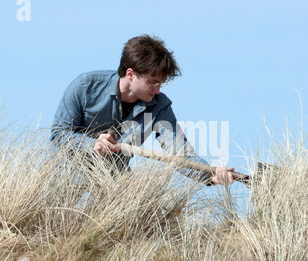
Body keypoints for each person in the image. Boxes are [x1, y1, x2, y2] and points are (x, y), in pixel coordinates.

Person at [51, 34, 235, 186]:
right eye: (152, 83)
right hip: (66, 179)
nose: (157, 90)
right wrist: (92, 144)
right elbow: (59, 134)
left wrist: (211, 175)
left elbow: (179, 152)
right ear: (131, 74)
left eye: (161, 84)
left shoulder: (159, 106)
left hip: (114, 184)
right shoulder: (84, 87)